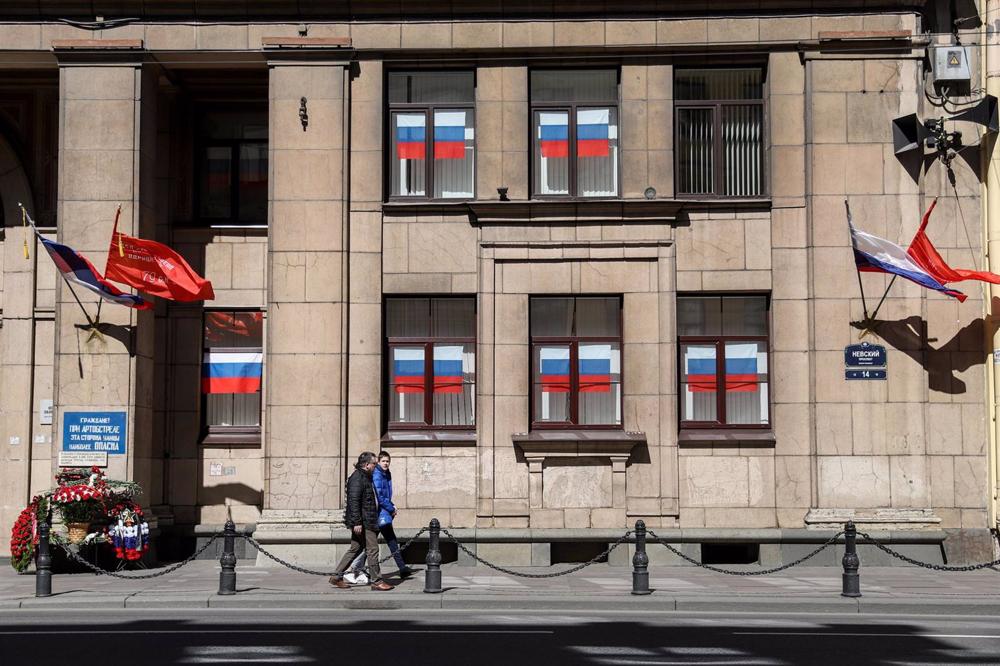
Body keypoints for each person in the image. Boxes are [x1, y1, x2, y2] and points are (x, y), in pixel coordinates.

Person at [344, 451, 413, 582]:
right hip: (375, 515)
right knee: (370, 547)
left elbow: (382, 496)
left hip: (380, 513)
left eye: (388, 461)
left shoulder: (383, 474)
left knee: (385, 542)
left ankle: (401, 568)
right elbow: (375, 497)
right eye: (382, 461)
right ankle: (358, 571)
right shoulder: (372, 475)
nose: (385, 464)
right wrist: (391, 508)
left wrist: (390, 506)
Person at [329, 452, 393, 591]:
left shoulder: (366, 476)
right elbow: (353, 502)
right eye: (374, 463)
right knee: (373, 550)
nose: (376, 466)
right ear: (366, 464)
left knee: (355, 548)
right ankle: (377, 581)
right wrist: (357, 522)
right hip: (365, 522)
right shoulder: (357, 478)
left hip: (367, 519)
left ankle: (336, 576)